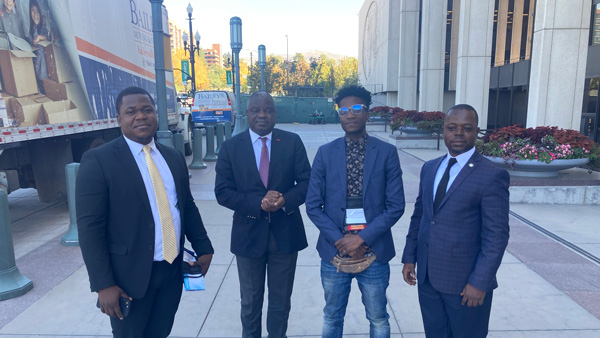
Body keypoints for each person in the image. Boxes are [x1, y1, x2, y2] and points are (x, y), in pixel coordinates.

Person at [76, 86, 214, 338]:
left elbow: (186, 206)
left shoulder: (172, 157)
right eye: (131, 111)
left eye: (147, 110)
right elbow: (89, 229)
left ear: (156, 115)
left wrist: (204, 247)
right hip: (128, 278)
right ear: (119, 119)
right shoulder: (98, 161)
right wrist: (103, 284)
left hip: (171, 271)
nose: (140, 116)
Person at [401, 104, 510, 338]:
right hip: (428, 279)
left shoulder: (492, 175)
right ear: (444, 130)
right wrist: (410, 257)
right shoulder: (430, 168)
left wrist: (479, 282)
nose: (459, 133)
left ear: (477, 131)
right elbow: (420, 216)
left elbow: (496, 236)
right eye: (452, 127)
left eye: (467, 128)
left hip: (466, 285)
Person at [305, 85, 405, 338]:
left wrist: (361, 239)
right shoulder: (325, 154)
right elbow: (313, 206)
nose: (350, 115)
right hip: (334, 252)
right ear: (339, 114)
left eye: (357, 109)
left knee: (378, 318)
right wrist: (342, 241)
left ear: (367, 113)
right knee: (332, 316)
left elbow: (396, 206)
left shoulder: (386, 153)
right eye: (344, 110)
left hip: (374, 251)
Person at [214, 91, 311, 338]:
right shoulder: (230, 148)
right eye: (256, 110)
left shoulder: (292, 142)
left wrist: (284, 201)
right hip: (248, 237)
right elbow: (223, 192)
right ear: (246, 114)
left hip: (285, 237)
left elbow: (307, 183)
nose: (262, 115)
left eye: (267, 109)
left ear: (275, 114)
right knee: (250, 303)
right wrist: (258, 203)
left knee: (280, 303)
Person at [28, 0, 49, 91]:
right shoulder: (31, 30)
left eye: (37, 11)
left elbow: (53, 37)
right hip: (37, 74)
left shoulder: (44, 26)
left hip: (47, 73)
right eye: (32, 11)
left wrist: (41, 37)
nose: (35, 14)